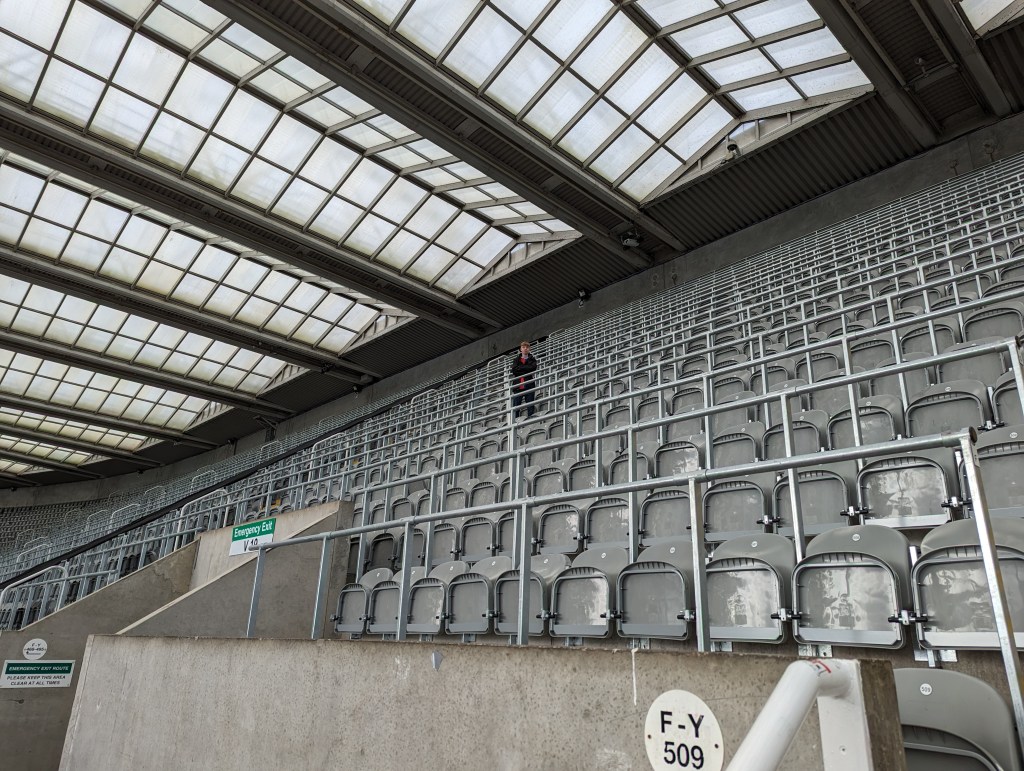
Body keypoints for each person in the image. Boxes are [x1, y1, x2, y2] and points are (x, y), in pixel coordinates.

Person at [510, 340, 537, 419]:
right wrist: (526, 369)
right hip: (518, 387)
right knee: (516, 407)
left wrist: (520, 368)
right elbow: (514, 370)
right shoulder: (516, 359)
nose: (525, 349)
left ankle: (531, 421)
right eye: (523, 347)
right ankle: (515, 424)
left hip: (529, 385)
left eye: (527, 347)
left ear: (529, 349)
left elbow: (533, 368)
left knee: (530, 406)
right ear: (520, 349)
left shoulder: (532, 359)